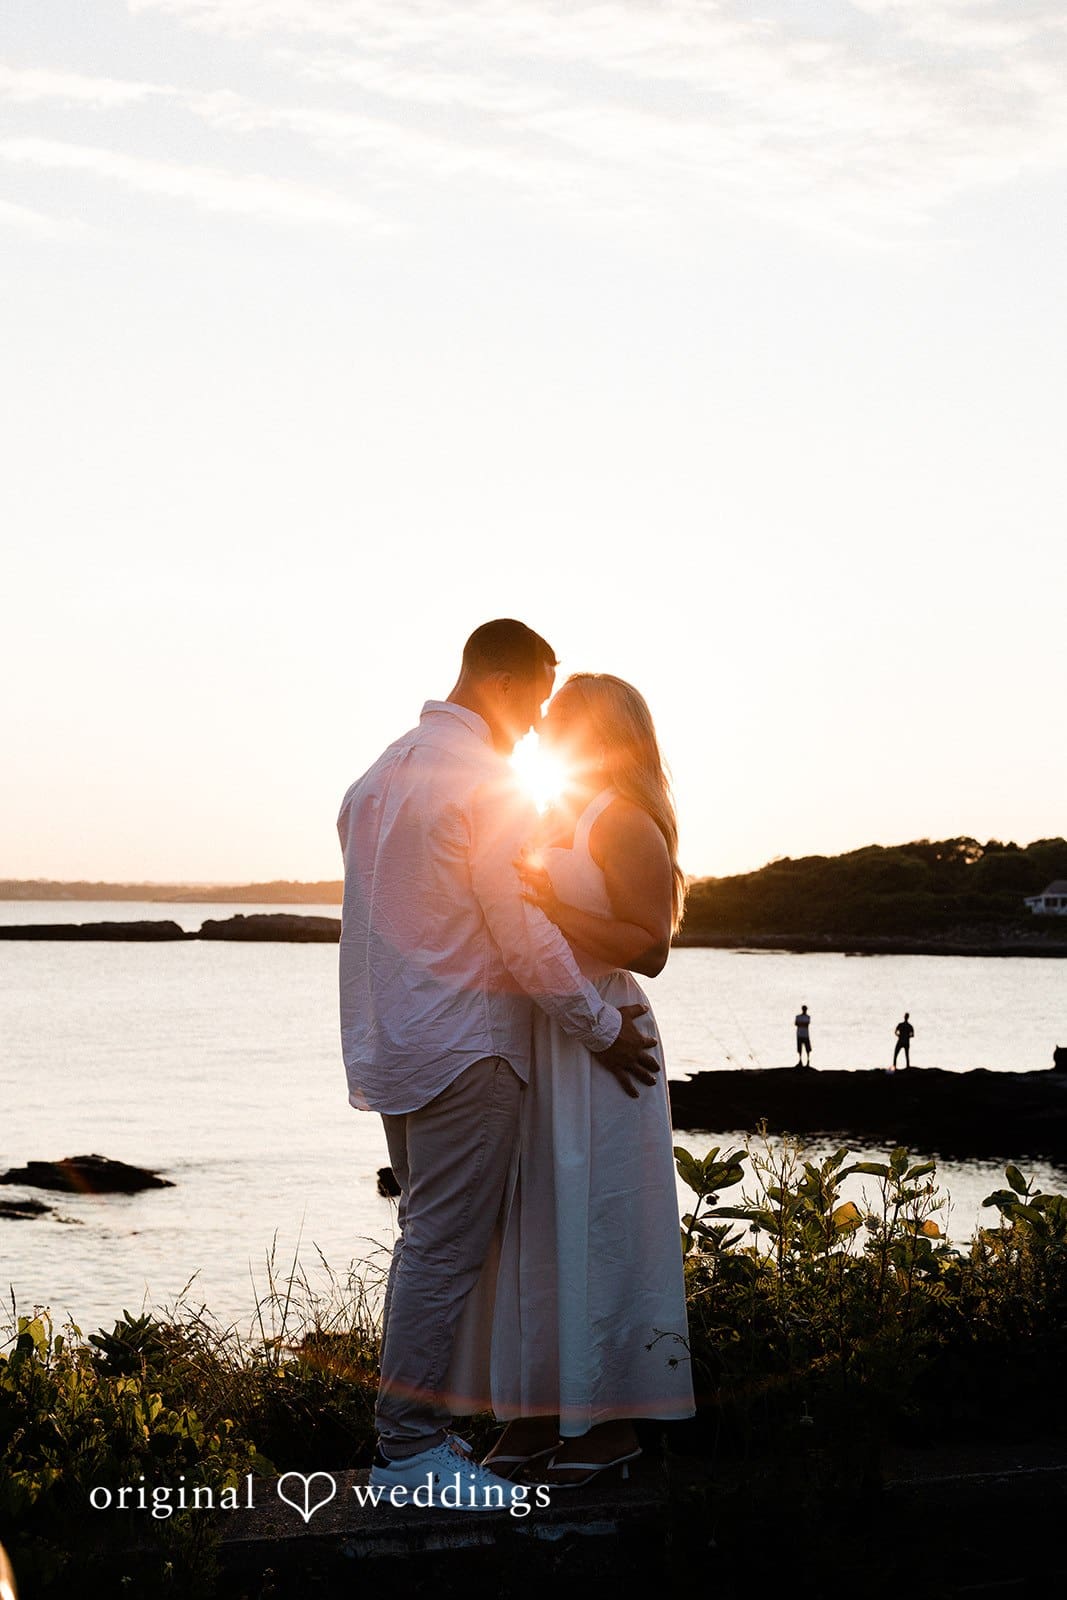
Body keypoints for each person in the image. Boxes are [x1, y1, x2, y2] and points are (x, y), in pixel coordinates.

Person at [336, 621, 660, 1509]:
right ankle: (407, 1453)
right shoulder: (485, 782)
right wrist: (598, 1025)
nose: (536, 727)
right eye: (537, 701)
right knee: (441, 1251)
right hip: (468, 1048)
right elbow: (518, 930)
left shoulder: (375, 779)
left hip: (395, 1047)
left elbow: (375, 928)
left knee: (427, 1243)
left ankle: (422, 1437)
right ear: (508, 681)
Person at [463, 672, 696, 1487]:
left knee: (605, 1221)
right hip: (546, 1028)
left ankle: (613, 1425)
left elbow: (651, 946)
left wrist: (553, 910)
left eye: (559, 717)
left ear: (600, 731)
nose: (541, 729)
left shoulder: (625, 820)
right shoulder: (548, 810)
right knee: (535, 1224)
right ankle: (534, 1414)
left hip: (606, 1037)